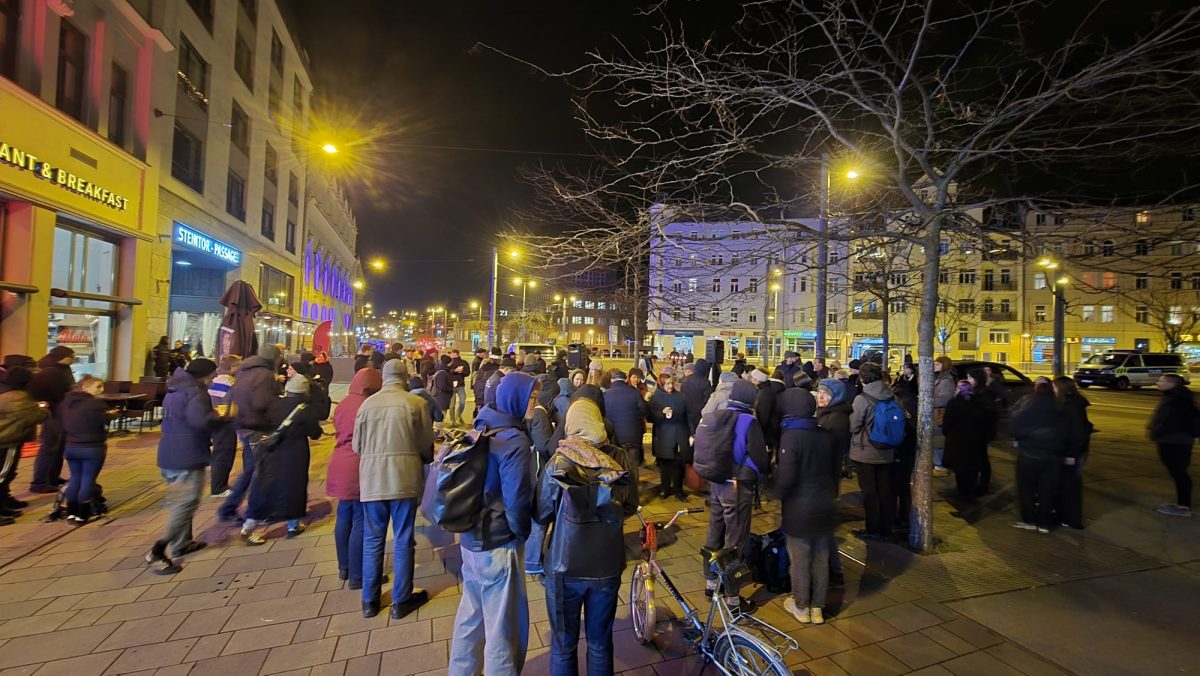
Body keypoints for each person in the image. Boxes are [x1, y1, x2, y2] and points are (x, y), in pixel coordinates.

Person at [536, 396, 636, 676]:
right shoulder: (619, 458)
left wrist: (534, 560)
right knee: (600, 642)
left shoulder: (559, 460)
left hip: (563, 566)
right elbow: (629, 505)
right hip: (607, 564)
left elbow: (542, 513)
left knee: (564, 645)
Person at [449, 373, 538, 675]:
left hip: (472, 537)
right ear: (516, 399)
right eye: (532, 398)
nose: (535, 404)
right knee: (502, 629)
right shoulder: (515, 441)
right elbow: (516, 500)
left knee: (470, 617)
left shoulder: (483, 425)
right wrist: (523, 533)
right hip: (499, 542)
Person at [354, 359, 434, 618]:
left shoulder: (367, 405)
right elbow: (425, 446)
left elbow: (357, 446)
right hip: (404, 478)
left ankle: (370, 601)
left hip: (372, 480)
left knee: (373, 539)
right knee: (402, 538)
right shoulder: (416, 404)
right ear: (405, 377)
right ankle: (401, 600)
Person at [147, 358, 222, 574]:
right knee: (185, 503)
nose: (215, 377)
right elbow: (201, 421)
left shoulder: (175, 389)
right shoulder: (196, 393)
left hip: (169, 452)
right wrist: (221, 418)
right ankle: (158, 551)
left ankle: (182, 543)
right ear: (204, 375)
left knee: (181, 500)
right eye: (213, 373)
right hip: (186, 456)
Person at [698, 380, 767, 610]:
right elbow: (759, 459)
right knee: (735, 543)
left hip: (717, 483)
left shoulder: (719, 415)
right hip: (737, 488)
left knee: (714, 533)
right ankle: (733, 598)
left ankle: (710, 584)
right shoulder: (748, 421)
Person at [775, 388, 837, 625]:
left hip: (800, 508)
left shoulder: (791, 435)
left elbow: (787, 475)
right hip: (824, 505)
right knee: (821, 559)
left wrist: (778, 493)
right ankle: (817, 609)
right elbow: (834, 471)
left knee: (800, 559)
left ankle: (801, 605)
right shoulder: (825, 434)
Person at [241, 375, 323, 544]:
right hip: (295, 455)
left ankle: (249, 526)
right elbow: (315, 433)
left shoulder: (272, 405)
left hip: (270, 452)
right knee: (295, 488)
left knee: (265, 487)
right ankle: (293, 526)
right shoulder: (304, 410)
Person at [328, 366, 382, 589]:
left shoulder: (343, 403)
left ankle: (344, 568)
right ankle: (358, 576)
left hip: (339, 462)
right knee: (361, 519)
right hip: (358, 464)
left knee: (344, 515)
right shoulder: (367, 405)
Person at [219, 344, 284, 521]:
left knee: (250, 468)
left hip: (243, 424)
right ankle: (256, 513)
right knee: (261, 471)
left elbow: (232, 396)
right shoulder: (264, 374)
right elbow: (262, 402)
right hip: (257, 426)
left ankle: (228, 508)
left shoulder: (244, 370)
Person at [848, 362, 897, 541]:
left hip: (866, 452)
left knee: (869, 492)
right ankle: (886, 527)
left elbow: (854, 426)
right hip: (887, 450)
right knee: (884, 490)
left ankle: (873, 528)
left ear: (862, 378)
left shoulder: (863, 399)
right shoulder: (891, 394)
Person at [1010, 378, 1066, 532]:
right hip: (1052, 456)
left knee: (1026, 490)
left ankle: (1029, 520)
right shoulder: (1060, 410)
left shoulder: (1029, 408)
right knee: (1046, 491)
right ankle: (1044, 523)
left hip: (1029, 454)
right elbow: (1066, 433)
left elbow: (1015, 429)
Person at [60, 375, 115, 524]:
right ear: (85, 387)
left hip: (71, 446)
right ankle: (83, 514)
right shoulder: (95, 404)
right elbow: (102, 421)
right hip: (92, 447)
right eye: (98, 387)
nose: (101, 390)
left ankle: (71, 512)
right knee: (87, 479)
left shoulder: (66, 402)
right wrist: (110, 415)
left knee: (75, 478)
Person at [0, 366, 49, 523]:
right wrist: (44, 409)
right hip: (8, 440)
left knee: (6, 473)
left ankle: (3, 503)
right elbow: (33, 416)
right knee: (2, 474)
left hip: (8, 439)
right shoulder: (18, 397)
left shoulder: (7, 394)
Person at [1147, 373, 1199, 518]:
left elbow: (1171, 421)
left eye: (1161, 381)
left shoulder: (1178, 400)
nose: (1158, 383)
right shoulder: (1174, 397)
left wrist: (1157, 432)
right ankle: (1182, 504)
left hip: (1175, 441)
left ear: (1171, 384)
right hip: (1172, 440)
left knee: (1179, 472)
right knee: (1178, 472)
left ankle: (1183, 506)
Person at [28, 346, 75, 493]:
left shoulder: (62, 369)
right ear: (63, 356)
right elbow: (55, 393)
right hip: (53, 413)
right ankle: (39, 482)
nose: (73, 358)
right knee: (49, 447)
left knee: (58, 447)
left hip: (61, 412)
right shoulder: (49, 371)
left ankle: (53, 477)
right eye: (71, 356)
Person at [942, 379, 992, 502]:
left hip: (957, 443)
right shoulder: (979, 404)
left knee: (960, 471)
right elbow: (985, 424)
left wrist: (947, 432)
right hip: (975, 443)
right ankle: (970, 493)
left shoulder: (953, 403)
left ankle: (962, 493)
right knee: (972, 470)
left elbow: (947, 423)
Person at [1053, 376, 1091, 529]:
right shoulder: (1073, 402)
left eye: (1055, 387)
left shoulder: (1072, 406)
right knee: (1067, 485)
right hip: (1072, 450)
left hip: (1072, 452)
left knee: (1070, 486)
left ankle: (1071, 519)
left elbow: (1078, 432)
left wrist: (1071, 454)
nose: (1053, 390)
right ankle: (1065, 516)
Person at [648, 372, 690, 499]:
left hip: (680, 433)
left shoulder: (681, 397)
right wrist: (661, 413)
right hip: (663, 434)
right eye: (667, 383)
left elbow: (687, 415)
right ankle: (665, 488)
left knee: (679, 464)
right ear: (661, 384)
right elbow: (650, 416)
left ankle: (678, 489)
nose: (670, 386)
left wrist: (691, 433)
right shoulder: (656, 398)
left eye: (671, 383)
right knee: (665, 464)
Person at [208, 354, 241, 497]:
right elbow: (226, 405)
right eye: (239, 365)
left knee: (221, 453)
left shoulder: (215, 380)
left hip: (217, 422)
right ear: (232, 367)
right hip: (224, 423)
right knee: (223, 454)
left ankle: (220, 484)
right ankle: (219, 487)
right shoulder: (227, 382)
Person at [604, 369, 648, 467]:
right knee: (632, 465)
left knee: (617, 465)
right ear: (625, 379)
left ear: (612, 380)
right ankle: (632, 480)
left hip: (615, 437)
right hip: (634, 436)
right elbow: (644, 410)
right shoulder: (635, 393)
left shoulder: (606, 395)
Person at [931, 356, 956, 477]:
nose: (935, 366)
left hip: (939, 415)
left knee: (938, 441)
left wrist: (929, 401)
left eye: (937, 364)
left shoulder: (946, 381)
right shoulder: (940, 379)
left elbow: (945, 399)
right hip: (936, 414)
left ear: (944, 365)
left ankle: (940, 466)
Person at [682, 358, 713, 436]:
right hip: (700, 412)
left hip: (687, 411)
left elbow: (682, 395)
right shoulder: (706, 382)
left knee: (689, 434)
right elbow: (707, 399)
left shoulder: (686, 380)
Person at [447, 349, 471, 426]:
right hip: (451, 385)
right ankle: (452, 420)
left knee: (462, 402)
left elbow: (467, 373)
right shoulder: (449, 363)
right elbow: (446, 372)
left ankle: (458, 415)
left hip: (460, 385)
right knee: (451, 405)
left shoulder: (464, 362)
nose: (450, 355)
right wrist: (454, 371)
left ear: (455, 354)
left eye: (451, 353)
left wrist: (462, 371)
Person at [472, 349, 500, 416]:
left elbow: (477, 385)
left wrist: (478, 401)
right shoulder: (497, 372)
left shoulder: (482, 369)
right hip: (491, 401)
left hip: (480, 398)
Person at [430, 356, 454, 430]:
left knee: (441, 415)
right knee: (440, 415)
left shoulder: (441, 370)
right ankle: (438, 433)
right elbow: (442, 386)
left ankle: (438, 431)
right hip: (442, 397)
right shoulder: (443, 373)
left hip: (441, 396)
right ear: (449, 363)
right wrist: (451, 388)